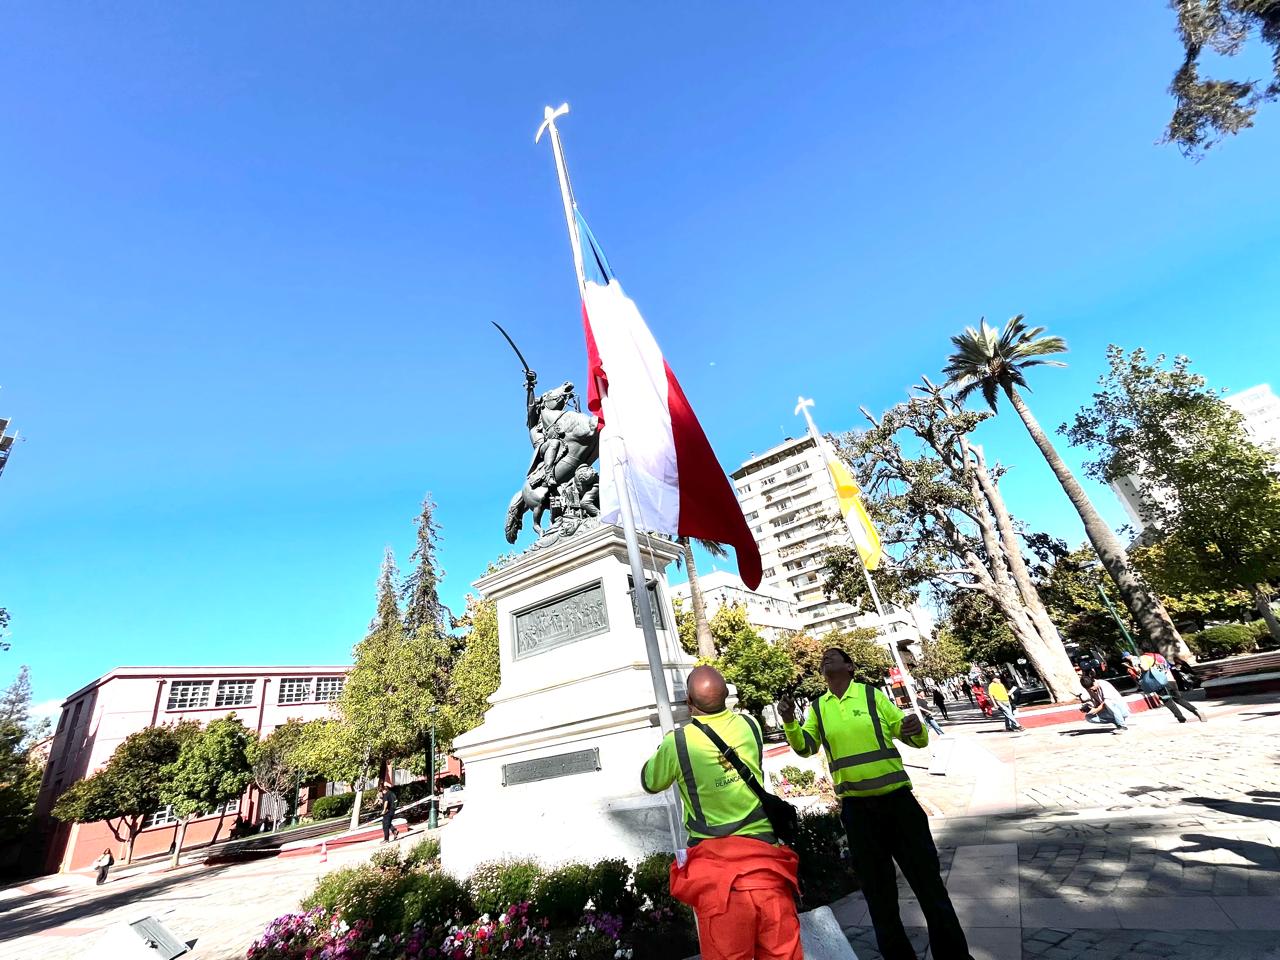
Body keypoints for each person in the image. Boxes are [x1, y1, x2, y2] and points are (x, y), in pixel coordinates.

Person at [780, 649, 973, 960]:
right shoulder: (817, 708)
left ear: (850, 666)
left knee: (929, 887)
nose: (826, 659)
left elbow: (910, 734)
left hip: (898, 805)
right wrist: (789, 721)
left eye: (834, 656)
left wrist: (915, 729)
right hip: (858, 813)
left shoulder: (872, 697)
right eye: (823, 657)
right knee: (879, 897)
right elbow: (805, 747)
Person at [642, 666, 801, 960]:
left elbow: (650, 781)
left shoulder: (678, 743)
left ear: (689, 703)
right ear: (727, 695)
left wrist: (666, 748)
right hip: (767, 868)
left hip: (719, 882)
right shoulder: (750, 726)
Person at [1134, 654, 1206, 724]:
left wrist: (1138, 668)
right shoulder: (1159, 656)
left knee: (1167, 701)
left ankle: (1181, 718)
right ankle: (1195, 710)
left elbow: (1145, 668)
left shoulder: (1144, 657)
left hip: (1160, 682)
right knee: (1179, 699)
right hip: (1171, 679)